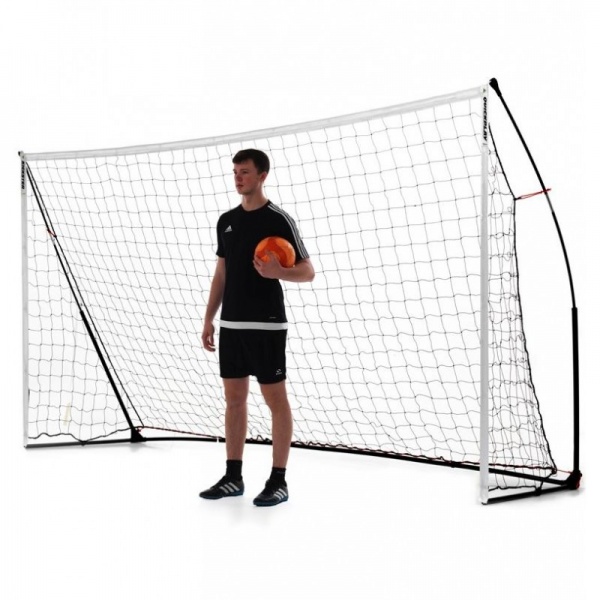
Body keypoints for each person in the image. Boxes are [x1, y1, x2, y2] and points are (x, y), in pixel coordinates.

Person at [199, 148, 315, 507]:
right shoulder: (226, 221)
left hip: (267, 325)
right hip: (231, 324)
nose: (238, 178)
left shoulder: (278, 219)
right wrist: (209, 317)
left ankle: (278, 481)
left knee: (275, 400)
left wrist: (279, 272)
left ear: (262, 176)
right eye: (235, 172)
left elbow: (308, 271)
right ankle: (233, 478)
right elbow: (222, 273)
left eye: (245, 172)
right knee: (234, 400)